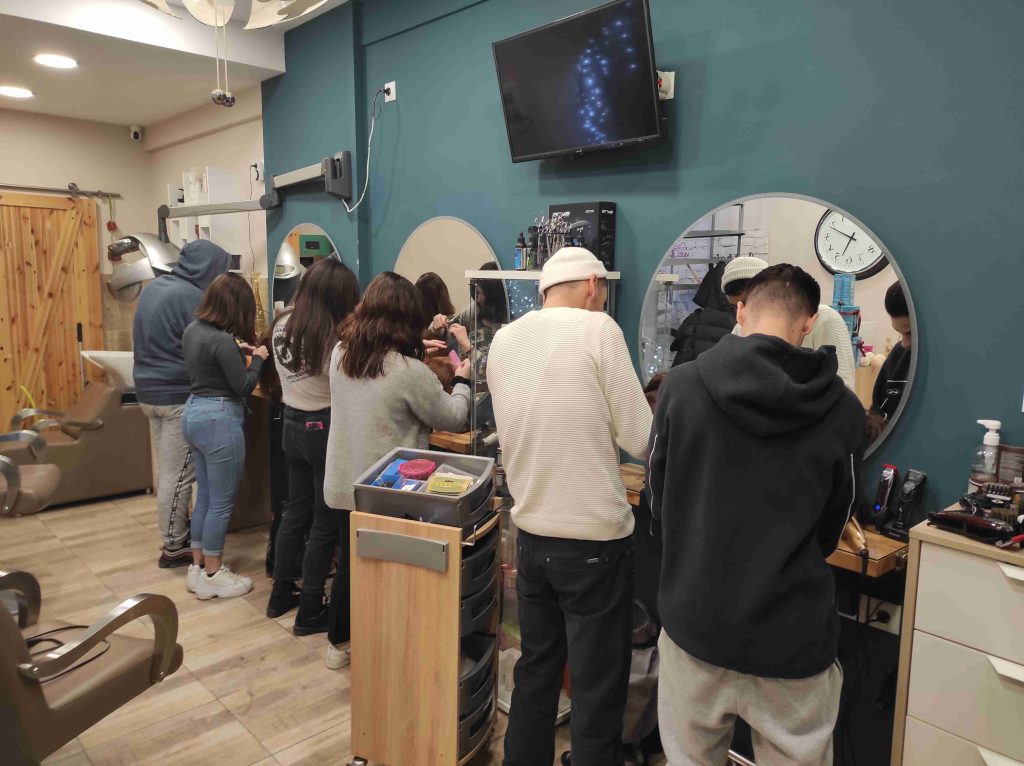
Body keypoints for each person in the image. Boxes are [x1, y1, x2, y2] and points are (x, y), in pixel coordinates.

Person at [648, 264, 865, 766]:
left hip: (697, 622)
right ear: (809, 322)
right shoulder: (844, 411)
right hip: (792, 636)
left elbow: (659, 501)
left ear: (741, 309)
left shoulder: (682, 387)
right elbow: (835, 524)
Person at [487, 247, 652, 766]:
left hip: (533, 537)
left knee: (536, 670)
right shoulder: (598, 329)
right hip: (594, 542)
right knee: (597, 686)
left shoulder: (504, 340)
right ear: (592, 285)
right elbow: (640, 437)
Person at [323, 272, 472, 669]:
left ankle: (340, 642)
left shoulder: (341, 354)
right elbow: (453, 417)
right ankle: (388, 651)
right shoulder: (409, 372)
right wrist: (462, 380)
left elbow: (378, 383)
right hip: (389, 490)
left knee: (353, 567)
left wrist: (415, 355)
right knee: (392, 574)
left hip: (344, 481)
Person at [266, 258, 361, 634]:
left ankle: (280, 593)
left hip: (290, 423)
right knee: (324, 522)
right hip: (323, 427)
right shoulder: (332, 337)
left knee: (294, 512)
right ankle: (309, 609)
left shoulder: (282, 323)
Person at [133, 240, 234, 569]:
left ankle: (175, 533)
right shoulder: (192, 298)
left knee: (168, 472)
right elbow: (206, 347)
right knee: (178, 477)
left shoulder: (155, 287)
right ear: (208, 269)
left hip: (147, 391)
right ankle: (174, 546)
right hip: (176, 395)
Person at [180, 273, 268, 600]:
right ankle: (214, 574)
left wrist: (235, 351)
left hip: (193, 412)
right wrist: (257, 359)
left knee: (204, 496)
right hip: (218, 420)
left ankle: (198, 566)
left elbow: (212, 363)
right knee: (220, 503)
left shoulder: (193, 330)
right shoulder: (220, 340)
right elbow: (243, 386)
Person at [721, 256, 857, 390]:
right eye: (735, 307)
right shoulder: (739, 329)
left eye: (750, 304)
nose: (743, 314)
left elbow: (844, 386)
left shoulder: (825, 319)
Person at [869, 281, 912, 434]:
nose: (905, 343)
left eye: (911, 333)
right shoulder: (898, 355)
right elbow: (877, 414)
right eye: (899, 332)